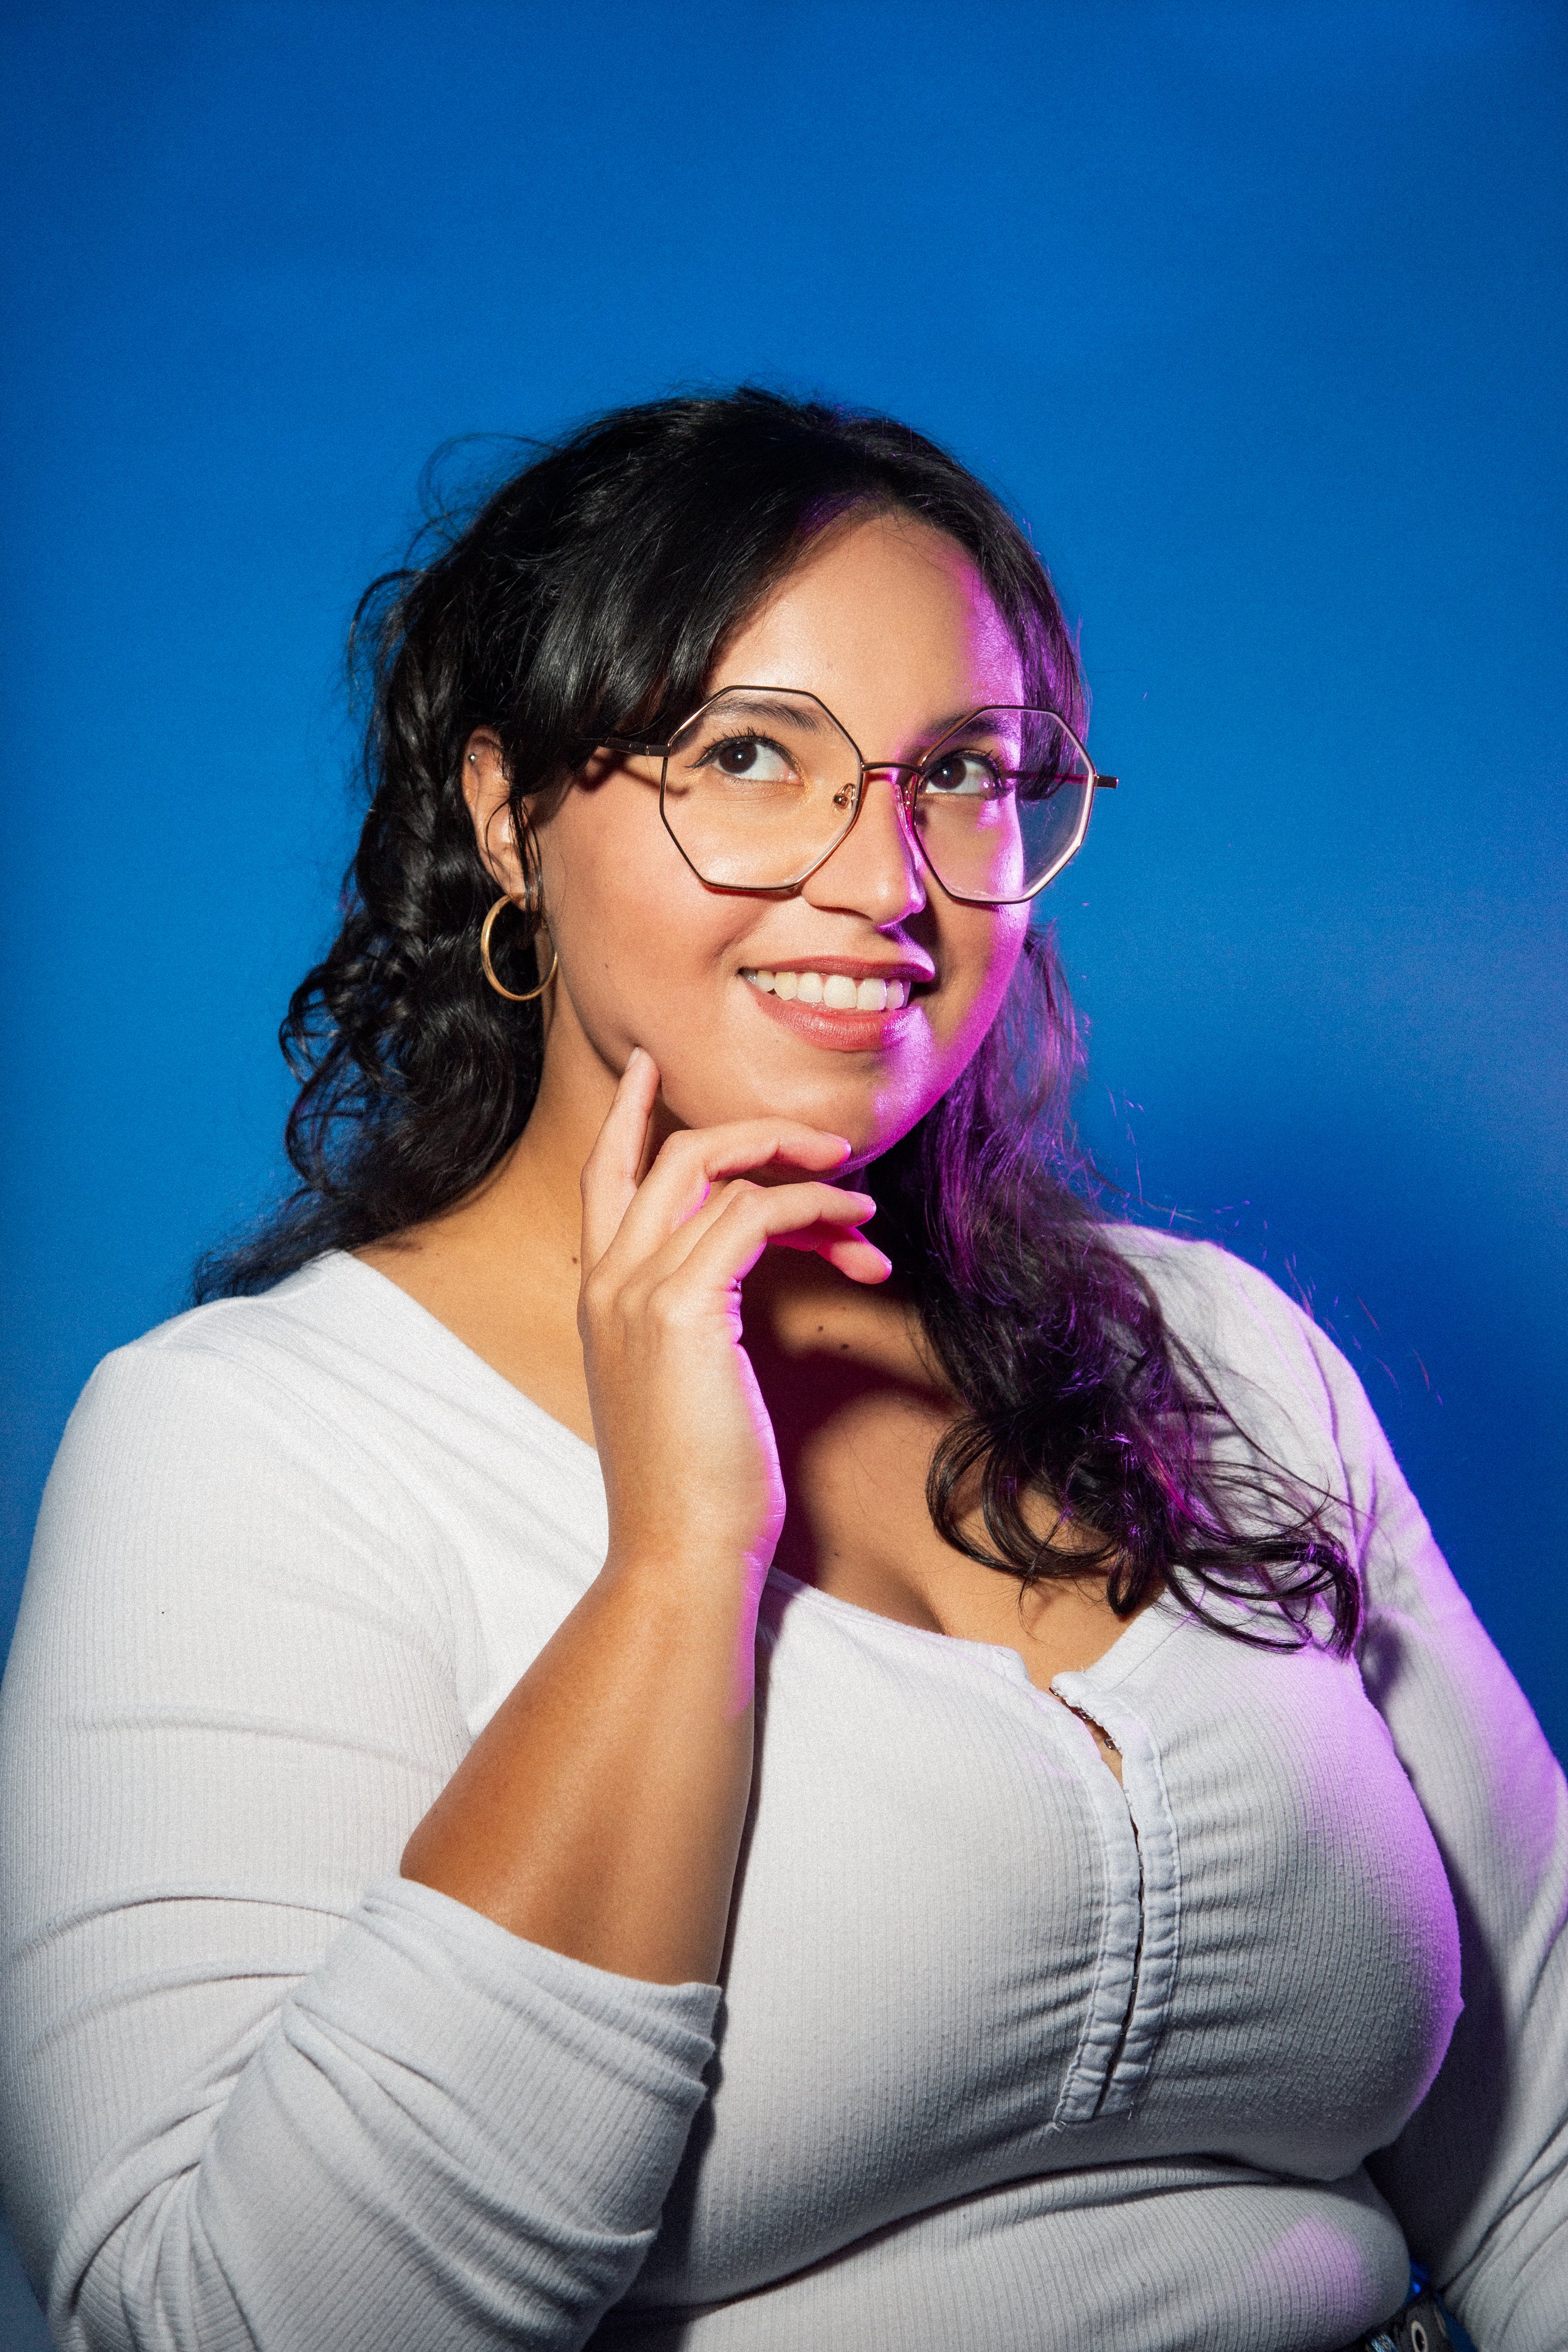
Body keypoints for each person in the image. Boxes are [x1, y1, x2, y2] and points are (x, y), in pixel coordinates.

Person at [1, 389, 1562, 2352]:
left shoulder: (1218, 1352)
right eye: (749, 755)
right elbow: (226, 2324)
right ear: (506, 812)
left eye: (960, 774)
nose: (882, 879)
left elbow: (1539, 2143)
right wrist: (675, 1571)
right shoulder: (253, 1444)